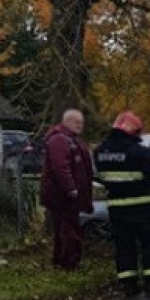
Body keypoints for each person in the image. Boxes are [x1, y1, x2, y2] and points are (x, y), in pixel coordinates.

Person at [94, 111, 150, 297]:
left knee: (124, 245)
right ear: (132, 131)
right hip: (142, 207)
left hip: (116, 209)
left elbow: (103, 178)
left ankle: (128, 285)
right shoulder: (139, 152)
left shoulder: (100, 152)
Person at [39, 109, 94, 270]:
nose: (80, 126)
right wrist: (70, 188)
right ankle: (70, 263)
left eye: (81, 123)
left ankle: (60, 261)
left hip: (65, 196)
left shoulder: (71, 140)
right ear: (66, 122)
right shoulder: (60, 140)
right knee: (70, 230)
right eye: (76, 122)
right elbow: (60, 166)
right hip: (62, 197)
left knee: (63, 229)